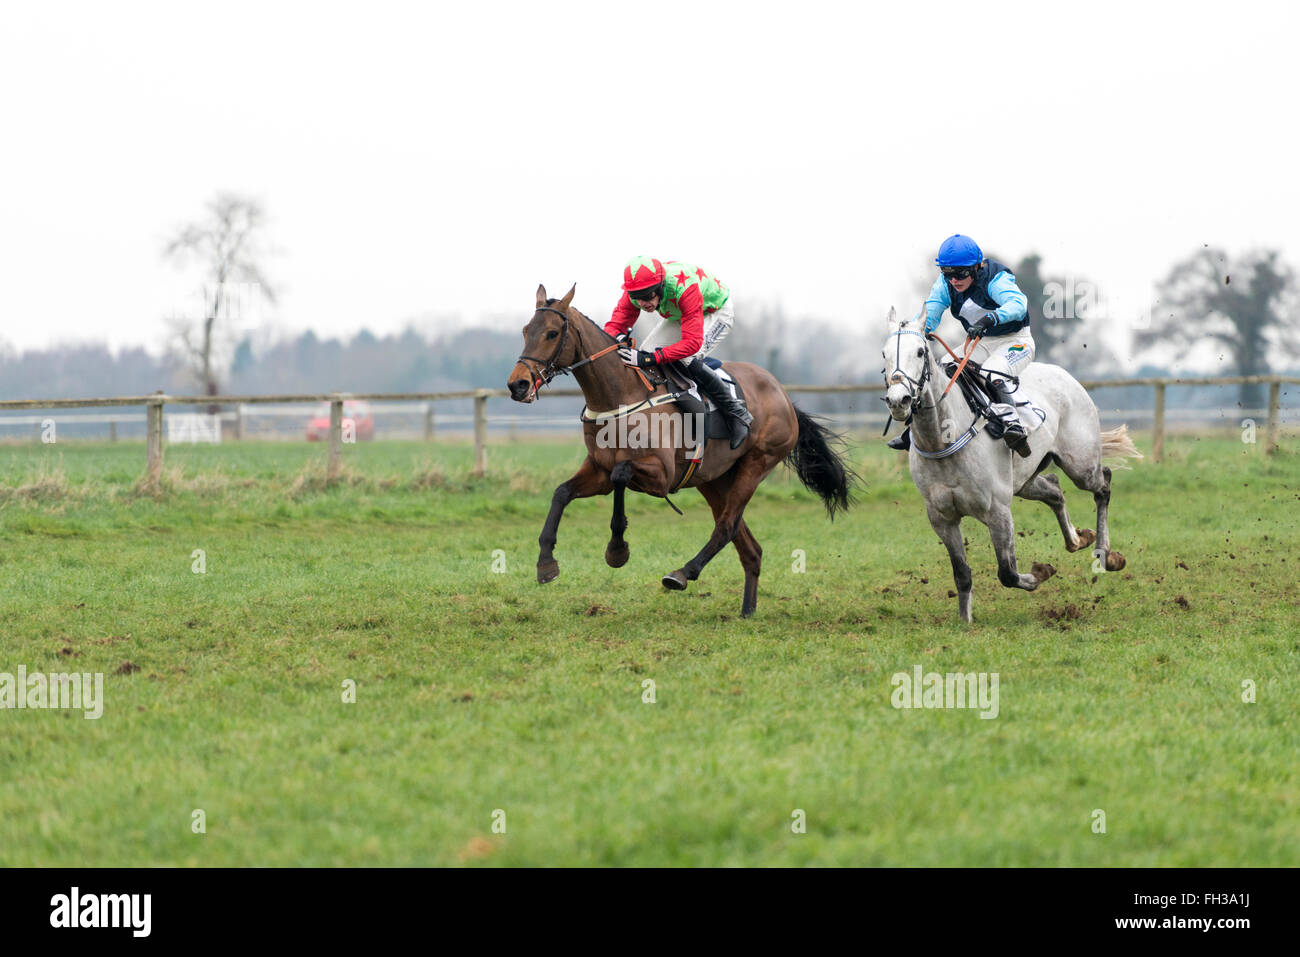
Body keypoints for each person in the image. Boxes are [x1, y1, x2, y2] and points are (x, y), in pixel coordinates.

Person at [889, 234, 1035, 456]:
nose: (954, 280)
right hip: (980, 343)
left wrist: (990, 319)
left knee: (992, 372)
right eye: (948, 274)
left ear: (977, 267)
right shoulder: (945, 285)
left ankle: (1013, 425)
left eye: (960, 273)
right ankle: (914, 430)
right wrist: (916, 332)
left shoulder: (996, 278)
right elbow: (931, 312)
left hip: (1015, 341)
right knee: (941, 371)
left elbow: (1018, 304)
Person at [605, 255, 753, 449]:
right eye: (637, 297)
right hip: (683, 312)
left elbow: (691, 344)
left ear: (660, 286)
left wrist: (647, 358)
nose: (643, 302)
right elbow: (614, 326)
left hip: (715, 311)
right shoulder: (636, 291)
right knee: (647, 350)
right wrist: (617, 338)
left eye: (648, 295)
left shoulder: (684, 289)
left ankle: (737, 412)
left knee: (686, 357)